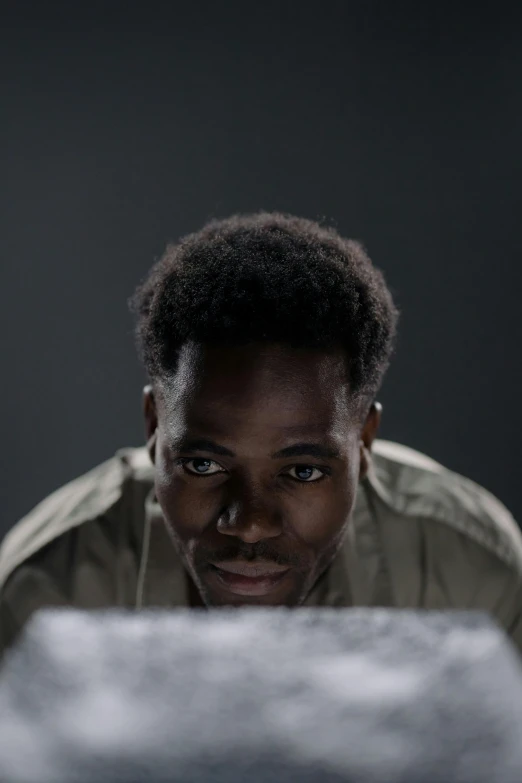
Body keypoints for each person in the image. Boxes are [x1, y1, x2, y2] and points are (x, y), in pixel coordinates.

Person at [1, 212, 521, 656]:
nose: (249, 525)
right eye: (203, 465)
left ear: (364, 443)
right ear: (155, 428)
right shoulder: (43, 597)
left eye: (302, 471)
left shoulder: (478, 579)